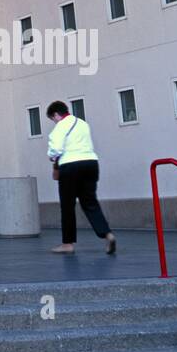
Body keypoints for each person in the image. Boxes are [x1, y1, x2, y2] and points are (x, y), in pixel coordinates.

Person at [46, 100, 116, 255]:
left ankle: (67, 244)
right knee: (90, 202)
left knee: (67, 205)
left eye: (52, 118)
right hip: (91, 163)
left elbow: (55, 150)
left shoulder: (60, 127)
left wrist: (51, 156)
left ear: (56, 114)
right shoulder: (83, 124)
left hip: (70, 166)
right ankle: (107, 234)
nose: (54, 121)